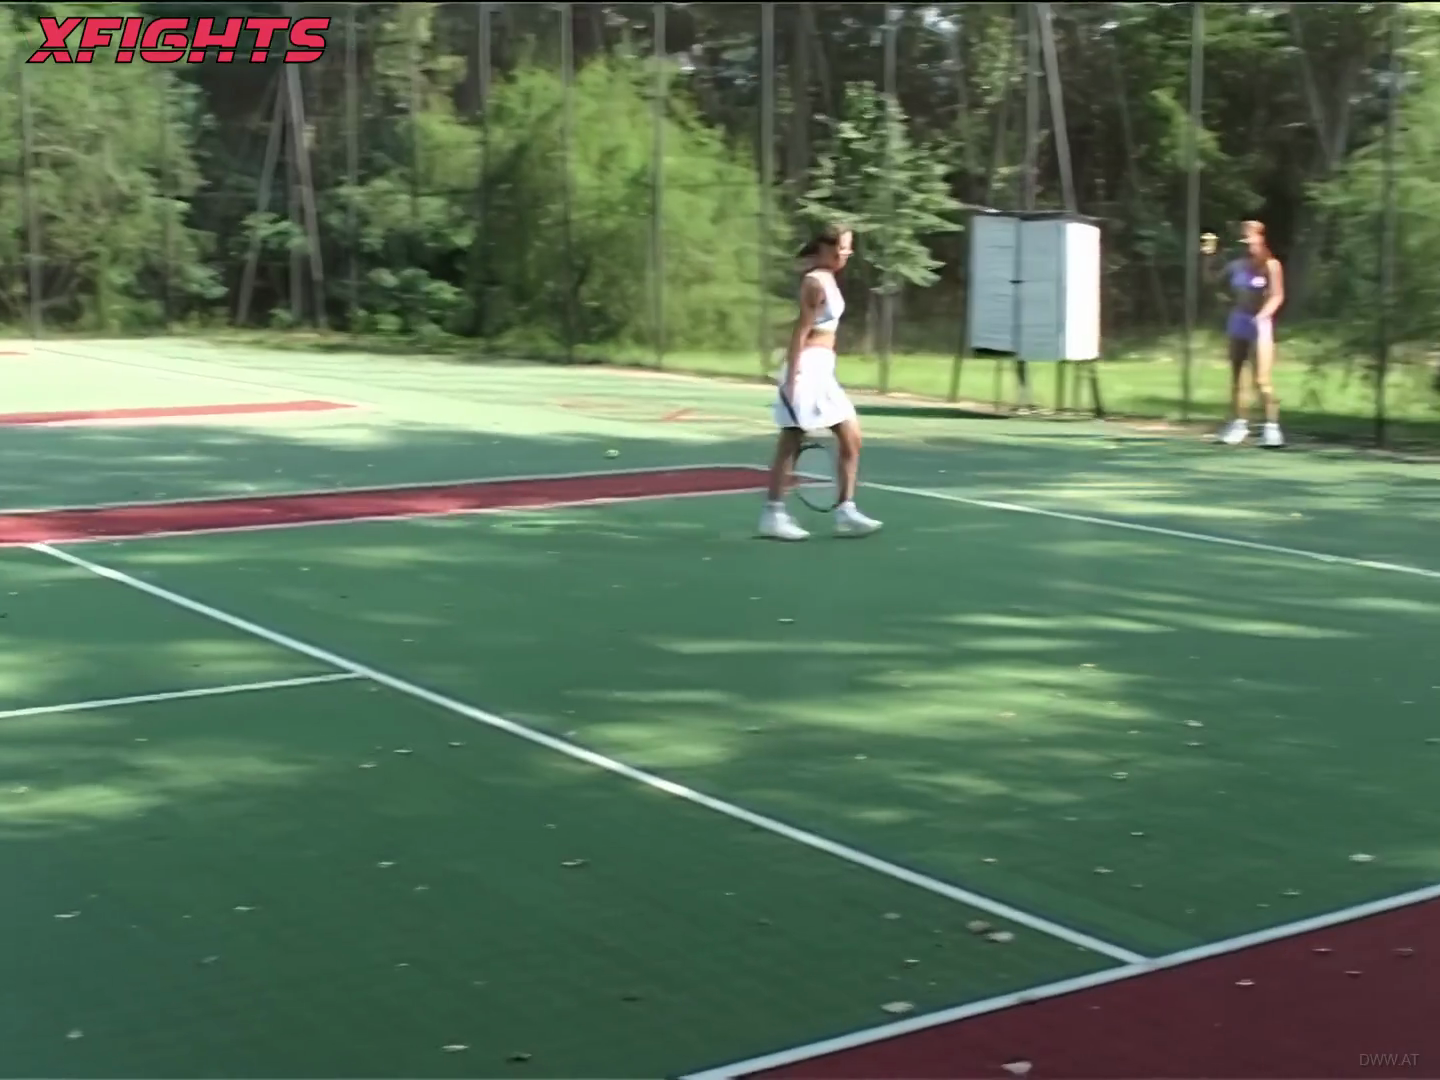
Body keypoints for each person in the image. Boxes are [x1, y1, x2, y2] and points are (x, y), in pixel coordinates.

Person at [757, 223, 882, 541]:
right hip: (807, 367)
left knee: (852, 437)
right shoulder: (814, 282)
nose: (847, 253)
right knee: (792, 440)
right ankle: (773, 514)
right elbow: (801, 331)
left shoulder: (827, 278)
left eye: (849, 247)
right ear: (826, 249)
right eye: (842, 247)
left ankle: (845, 510)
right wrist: (791, 380)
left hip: (824, 369)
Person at [1203, 221, 1286, 448]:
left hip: (1261, 324)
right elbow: (1212, 281)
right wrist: (1208, 258)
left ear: (1261, 238)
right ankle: (1239, 425)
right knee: (1238, 377)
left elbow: (1277, 296)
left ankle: (1272, 428)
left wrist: (1263, 315)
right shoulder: (1236, 265)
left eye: (1251, 238)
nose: (1247, 242)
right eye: (1243, 239)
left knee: (1262, 380)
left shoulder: (1271, 265)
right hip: (1238, 321)